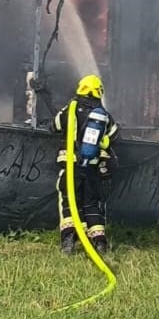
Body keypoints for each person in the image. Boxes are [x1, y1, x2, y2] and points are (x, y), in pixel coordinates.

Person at [53, 74, 118, 257]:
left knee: (68, 201)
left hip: (70, 166)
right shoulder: (102, 114)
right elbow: (115, 134)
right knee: (91, 203)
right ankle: (100, 243)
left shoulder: (70, 109)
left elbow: (55, 125)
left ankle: (68, 242)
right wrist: (102, 142)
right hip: (91, 168)